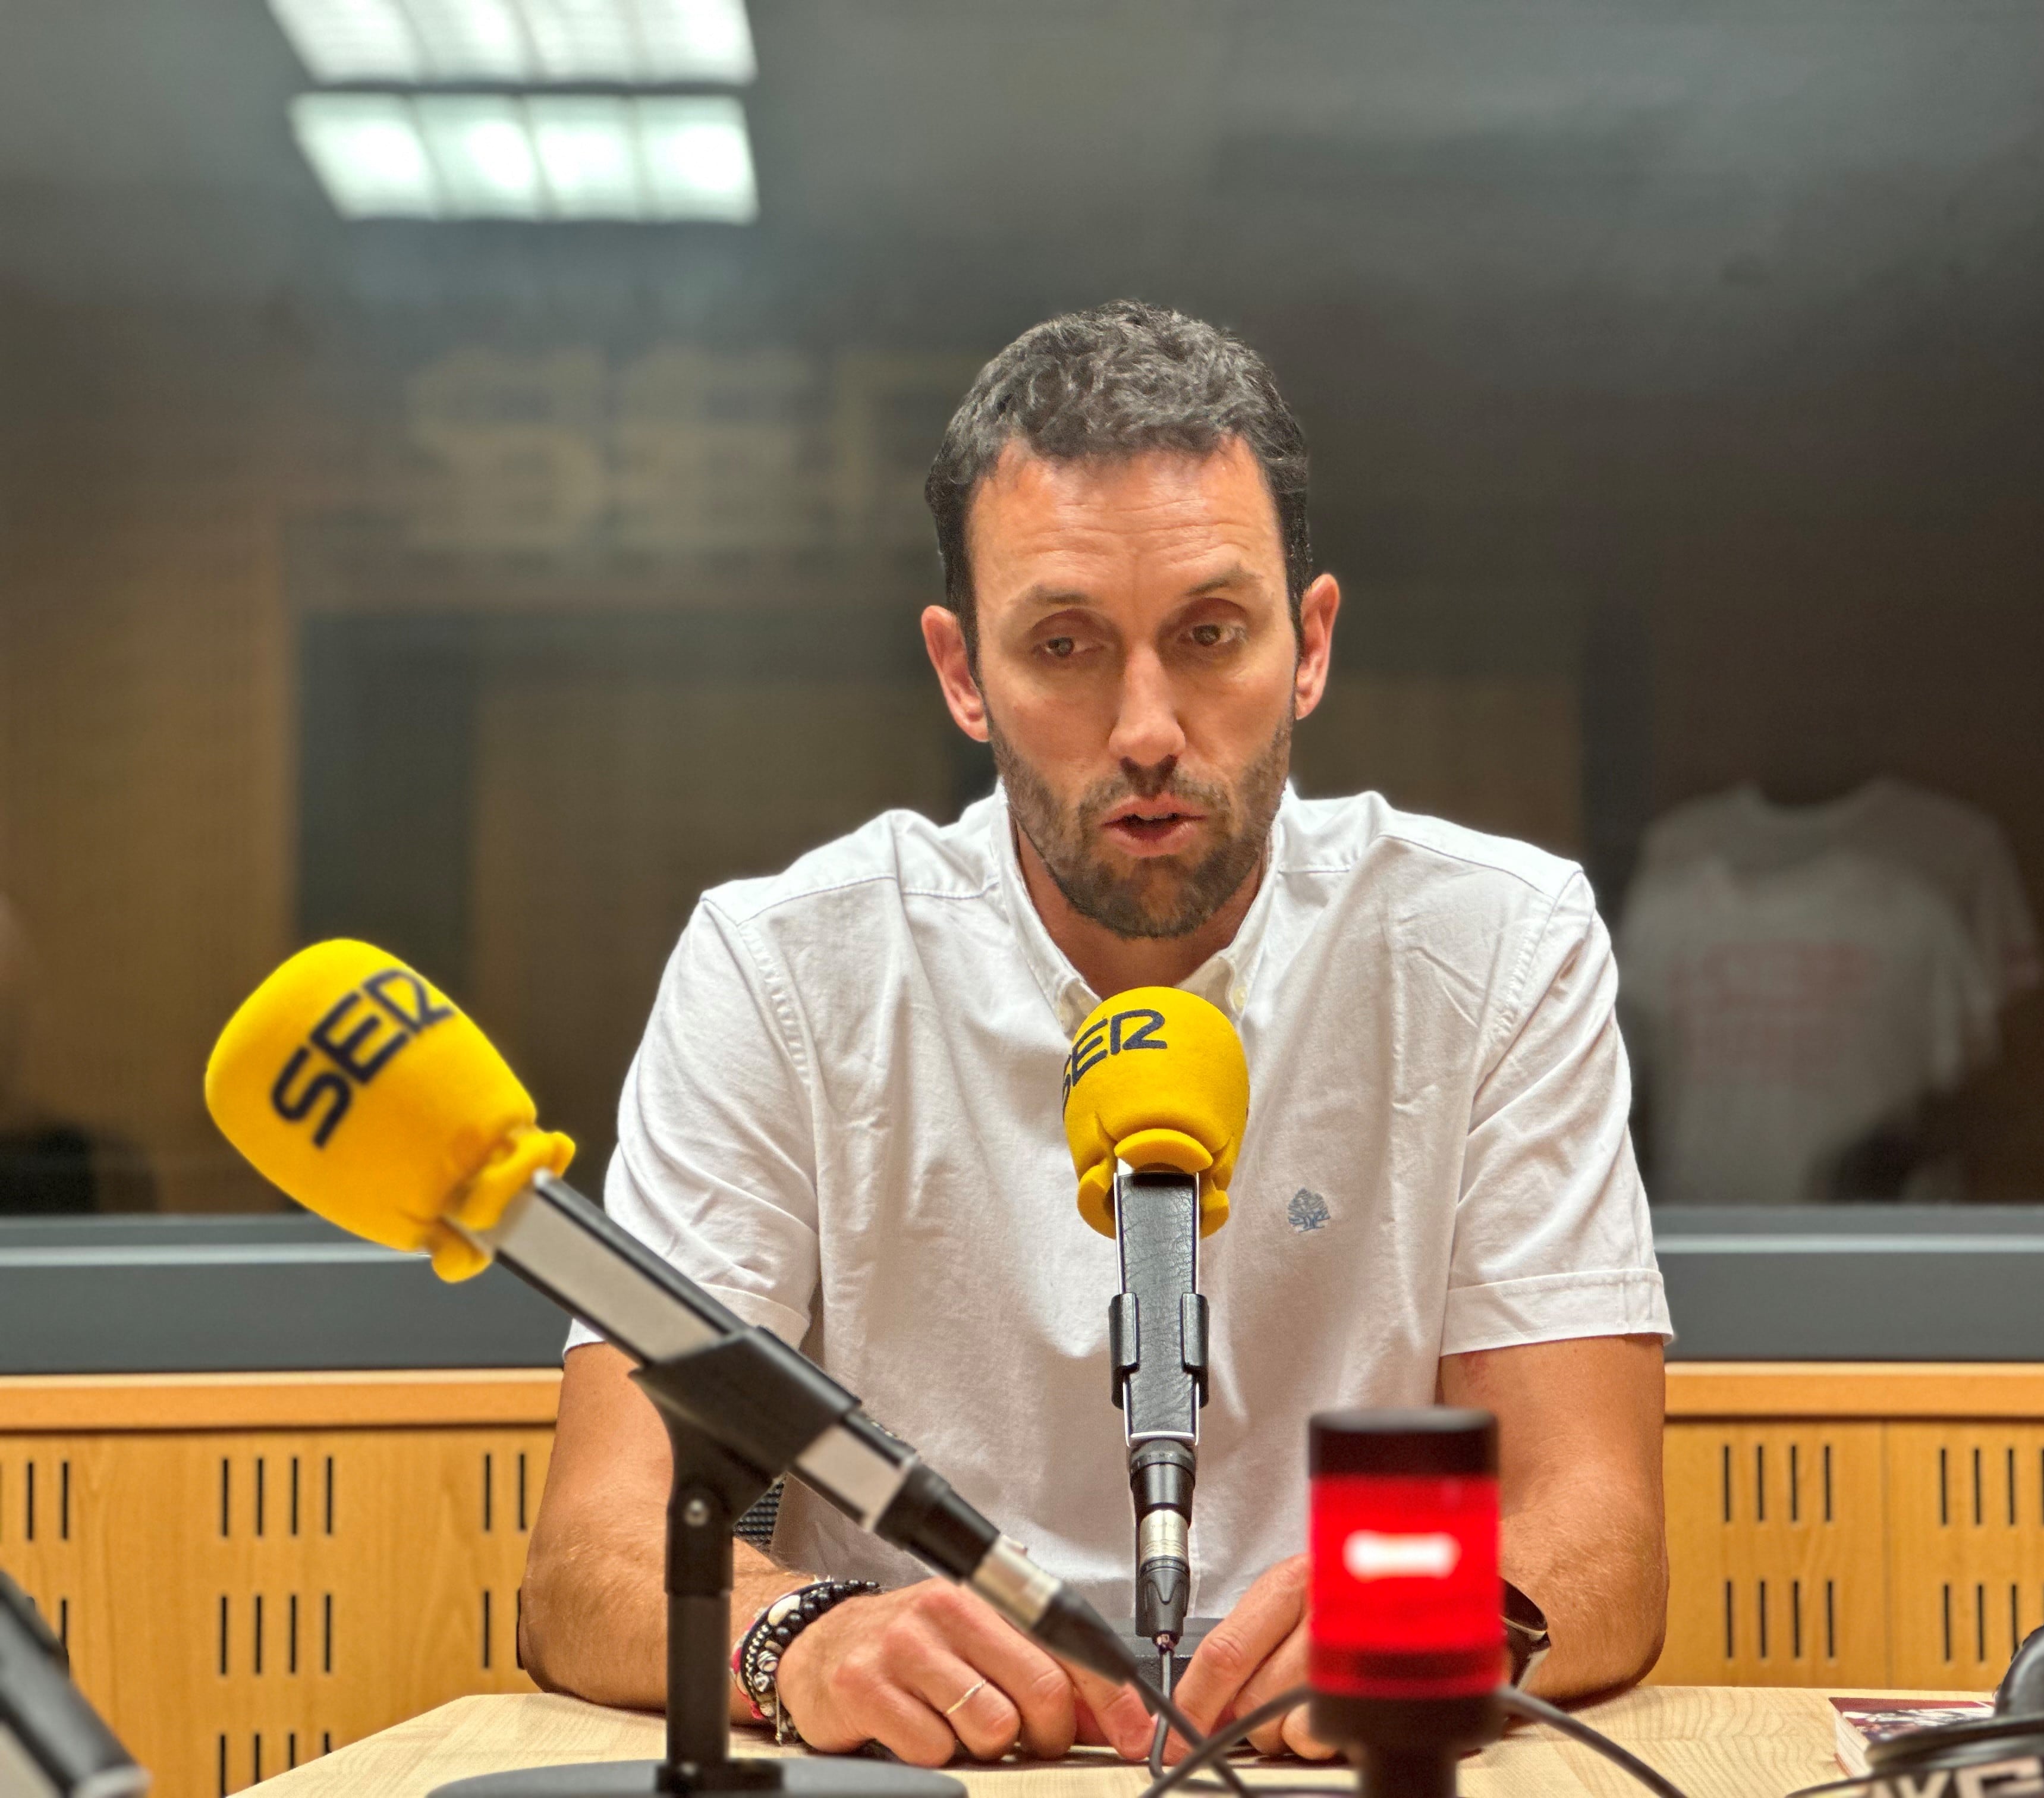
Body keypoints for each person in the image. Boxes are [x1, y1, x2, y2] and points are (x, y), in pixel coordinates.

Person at [518, 301, 1671, 1768]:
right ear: (961, 674)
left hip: (1339, 1764)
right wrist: (799, 1635)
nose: (1146, 725)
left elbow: (1603, 1538)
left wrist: (1461, 1613)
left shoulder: (1498, 942)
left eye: (1210, 635)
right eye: (1065, 645)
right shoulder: (781, 970)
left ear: (1308, 647)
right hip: (926, 1773)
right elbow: (590, 1561)